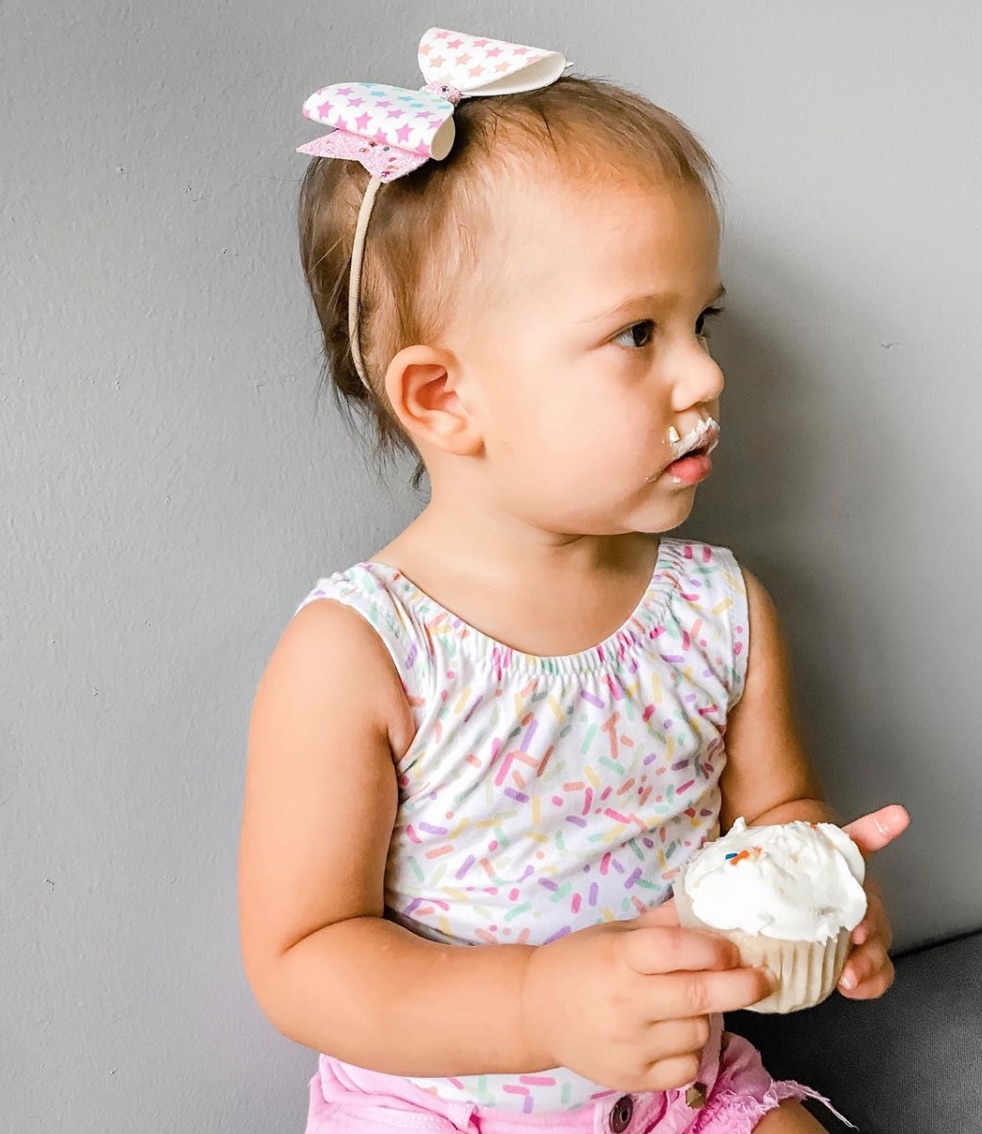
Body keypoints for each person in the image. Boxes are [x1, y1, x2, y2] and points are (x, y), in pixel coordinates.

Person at [238, 27, 910, 1134]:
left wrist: (820, 890)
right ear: (446, 398)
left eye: (703, 321)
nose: (705, 371)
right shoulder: (357, 650)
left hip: (681, 1092)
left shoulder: (717, 608)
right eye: (637, 333)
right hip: (439, 1113)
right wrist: (537, 1003)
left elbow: (773, 810)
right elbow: (303, 959)